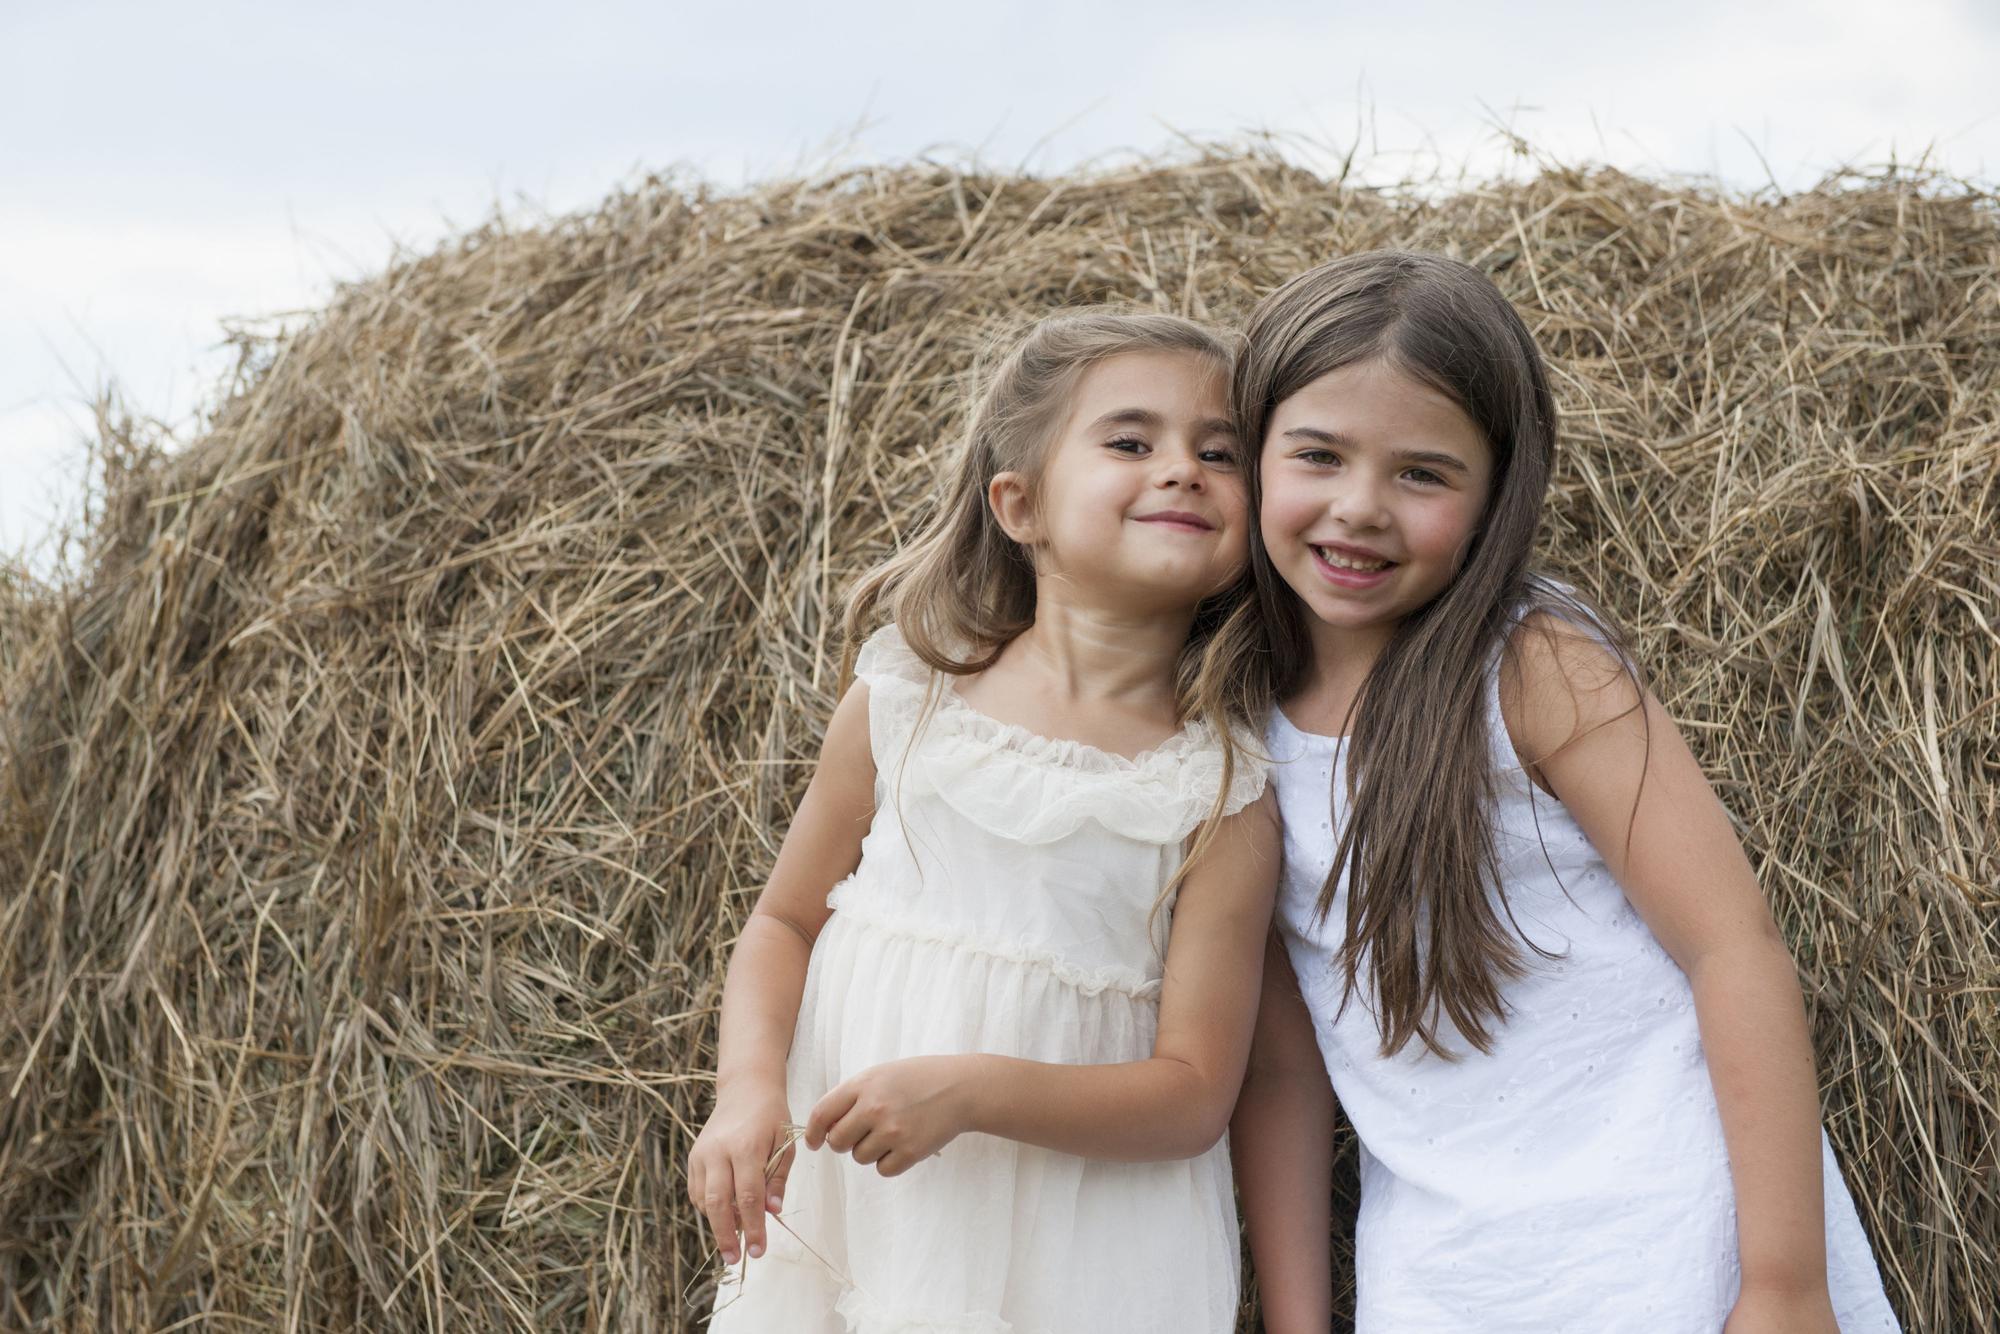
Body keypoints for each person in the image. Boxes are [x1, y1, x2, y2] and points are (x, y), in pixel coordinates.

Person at [1219, 251, 1901, 1332]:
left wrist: (1783, 1281)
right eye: (1316, 454)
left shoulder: (1528, 665)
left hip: (1675, 1227)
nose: (1359, 508)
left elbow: (1731, 946)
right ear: (1249, 453)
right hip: (1448, 1267)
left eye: (1421, 473)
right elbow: (1279, 1068)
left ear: (1496, 493)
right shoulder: (1227, 725)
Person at [689, 310, 1278, 1333]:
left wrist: (969, 1090)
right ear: (1019, 504)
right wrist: (744, 1089)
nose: (1182, 468)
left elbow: (1191, 1094)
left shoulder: (1217, 786)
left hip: (1083, 1242)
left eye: (1218, 452)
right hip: (867, 1214)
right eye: (1131, 442)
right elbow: (783, 923)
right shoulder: (903, 704)